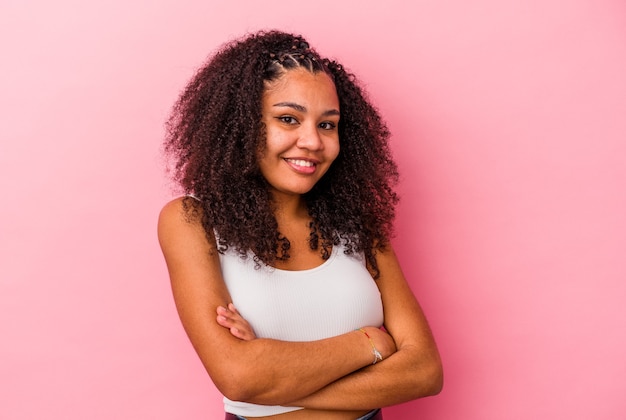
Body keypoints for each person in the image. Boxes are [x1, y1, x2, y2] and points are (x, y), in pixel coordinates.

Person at [158, 30, 443, 420]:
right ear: (242, 124)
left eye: (328, 125)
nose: (312, 141)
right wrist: (370, 343)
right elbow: (240, 377)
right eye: (288, 119)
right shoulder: (192, 222)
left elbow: (424, 372)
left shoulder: (357, 225)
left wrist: (274, 379)